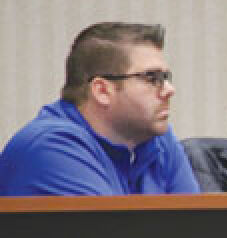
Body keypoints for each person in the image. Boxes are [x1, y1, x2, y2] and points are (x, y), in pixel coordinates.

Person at [0, 22, 200, 196]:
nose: (169, 90)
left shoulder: (158, 140)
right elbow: (112, 237)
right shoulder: (51, 147)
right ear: (102, 91)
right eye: (151, 78)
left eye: (165, 78)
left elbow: (197, 230)